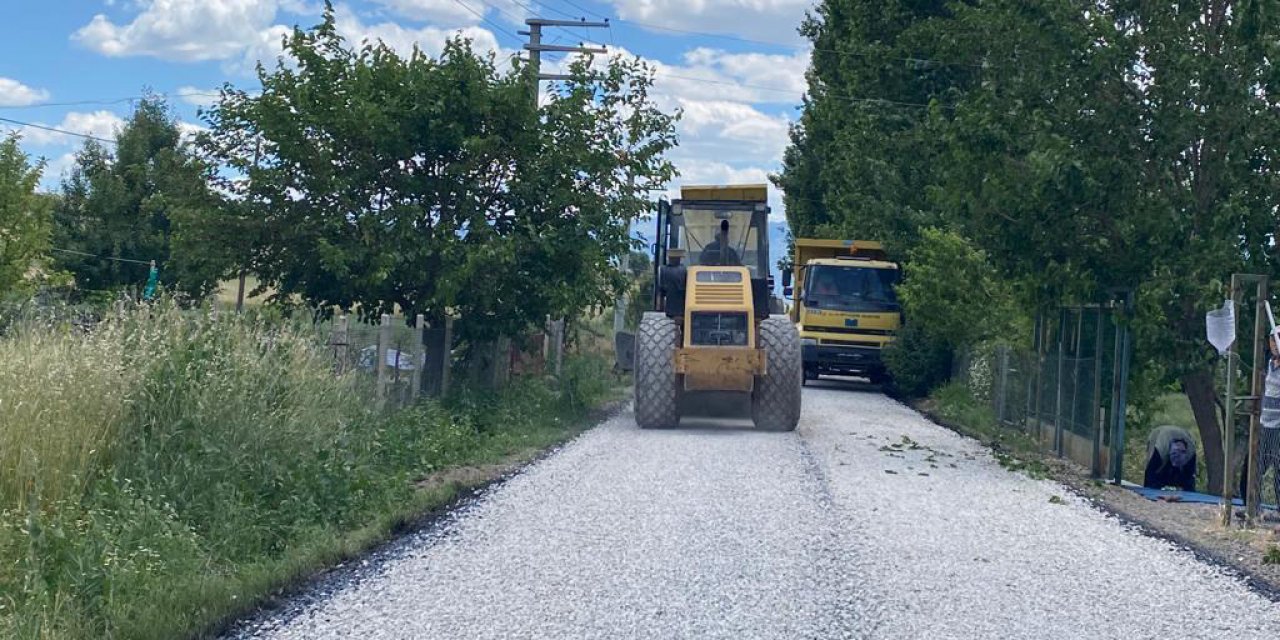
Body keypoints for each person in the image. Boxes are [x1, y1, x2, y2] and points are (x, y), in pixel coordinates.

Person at [1239, 334, 1280, 502]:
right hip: (1264, 425)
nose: (1276, 344)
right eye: (1273, 340)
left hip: (1279, 428)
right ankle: (1251, 507)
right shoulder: (1268, 364)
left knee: (1279, 472)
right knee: (1251, 468)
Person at [1143, 425, 1197, 492]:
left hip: (1183, 435)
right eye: (1174, 458)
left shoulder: (1191, 453)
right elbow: (1150, 472)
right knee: (1153, 472)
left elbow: (1190, 477)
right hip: (1159, 434)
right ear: (1170, 452)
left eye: (1179, 461)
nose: (1176, 461)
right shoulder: (1160, 449)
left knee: (1186, 476)